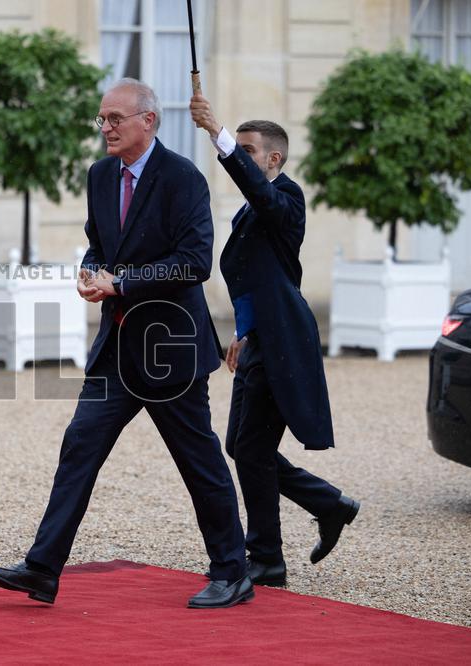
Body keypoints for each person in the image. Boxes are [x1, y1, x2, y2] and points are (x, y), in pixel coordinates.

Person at [0, 78, 253, 609]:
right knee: (79, 447)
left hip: (169, 350)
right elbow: (97, 244)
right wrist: (89, 273)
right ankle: (42, 568)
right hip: (116, 350)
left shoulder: (184, 179)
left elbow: (195, 261)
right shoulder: (100, 175)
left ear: (147, 121)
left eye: (114, 119)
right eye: (101, 119)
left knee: (198, 463)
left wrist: (121, 283)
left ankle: (232, 571)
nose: (104, 128)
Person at [189, 93, 360, 587]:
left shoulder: (286, 198)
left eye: (248, 151)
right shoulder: (253, 209)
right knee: (240, 445)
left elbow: (260, 198)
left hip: (286, 340)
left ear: (273, 159)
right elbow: (251, 275)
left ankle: (267, 557)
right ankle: (328, 504)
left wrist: (217, 132)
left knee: (252, 449)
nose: (241, 158)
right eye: (238, 149)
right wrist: (243, 333)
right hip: (261, 338)